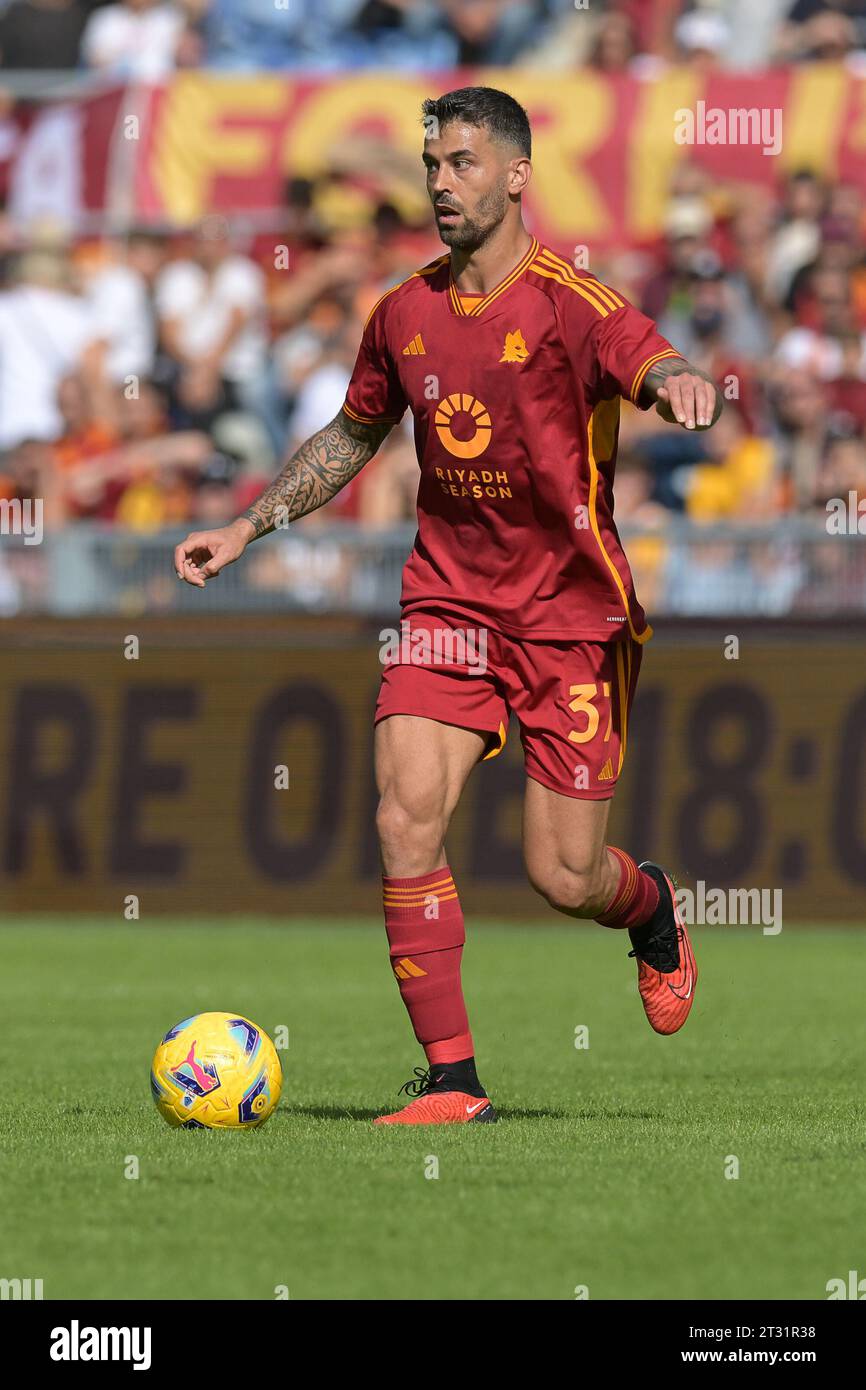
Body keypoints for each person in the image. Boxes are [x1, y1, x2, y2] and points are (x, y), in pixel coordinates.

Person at [174, 86, 721, 1126]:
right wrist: (247, 527)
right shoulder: (404, 313)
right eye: (431, 164)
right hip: (445, 605)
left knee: (563, 876)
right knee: (401, 817)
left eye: (462, 163)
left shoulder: (571, 302)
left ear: (516, 175)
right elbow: (348, 434)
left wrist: (680, 384)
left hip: (568, 618)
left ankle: (648, 909)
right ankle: (451, 1081)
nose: (439, 182)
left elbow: (651, 358)